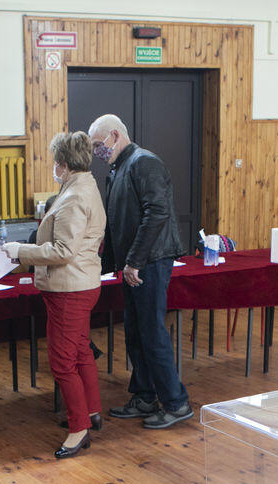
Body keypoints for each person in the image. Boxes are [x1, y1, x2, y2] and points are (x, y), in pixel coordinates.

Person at [4, 131, 105, 459]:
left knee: (62, 363)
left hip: (69, 288)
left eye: (55, 162)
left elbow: (63, 250)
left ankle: (79, 429)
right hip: (80, 283)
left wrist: (20, 251)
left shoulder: (75, 195)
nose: (54, 167)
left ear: (63, 163)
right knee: (80, 351)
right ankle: (91, 412)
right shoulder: (83, 185)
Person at [87, 114, 191, 429]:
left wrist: (134, 261)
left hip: (150, 261)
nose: (96, 152)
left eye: (98, 145)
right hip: (135, 262)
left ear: (115, 135)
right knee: (135, 331)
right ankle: (145, 396)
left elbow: (157, 213)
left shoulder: (144, 163)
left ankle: (176, 402)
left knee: (151, 331)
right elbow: (118, 222)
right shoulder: (119, 168)